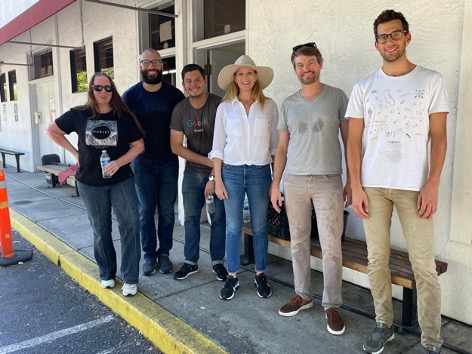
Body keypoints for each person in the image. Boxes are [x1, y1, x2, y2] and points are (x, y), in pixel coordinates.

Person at [346, 10, 448, 354]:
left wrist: (433, 183)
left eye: (394, 34)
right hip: (372, 186)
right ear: (375, 44)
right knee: (377, 261)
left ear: (407, 37)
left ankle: (432, 340)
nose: (388, 41)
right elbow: (353, 141)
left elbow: (439, 136)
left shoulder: (430, 80)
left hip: (414, 187)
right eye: (382, 37)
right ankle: (382, 325)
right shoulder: (364, 86)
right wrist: (356, 185)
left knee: (424, 266)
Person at [270, 43, 350, 335]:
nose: (306, 69)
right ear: (295, 69)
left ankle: (332, 305)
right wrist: (275, 183)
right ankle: (303, 295)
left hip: (328, 180)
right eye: (300, 65)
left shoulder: (337, 97)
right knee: (298, 242)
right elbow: (281, 147)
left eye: (311, 63)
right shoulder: (289, 103)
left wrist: (352, 180)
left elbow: (350, 142)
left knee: (331, 246)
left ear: (321, 63)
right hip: (293, 181)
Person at [47, 73, 144, 297]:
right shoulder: (79, 114)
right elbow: (53, 130)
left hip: (121, 180)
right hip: (90, 182)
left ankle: (130, 277)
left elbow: (138, 145)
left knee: (130, 224)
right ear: (91, 90)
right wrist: (76, 153)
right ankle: (107, 273)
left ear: (113, 90)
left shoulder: (124, 115)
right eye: (98, 88)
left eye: (108, 88)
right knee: (101, 230)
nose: (103, 92)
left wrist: (119, 163)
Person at [210, 55, 278, 300]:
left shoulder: (269, 106)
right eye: (240, 74)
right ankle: (232, 276)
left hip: (260, 173)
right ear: (234, 78)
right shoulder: (225, 107)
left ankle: (260, 273)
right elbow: (217, 146)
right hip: (231, 172)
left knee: (260, 226)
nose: (245, 78)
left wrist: (276, 181)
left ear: (256, 76)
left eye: (249, 73)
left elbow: (275, 148)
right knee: (233, 227)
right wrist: (217, 179)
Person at [123, 49, 185, 276]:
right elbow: (121, 127)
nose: (151, 66)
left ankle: (165, 254)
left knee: (167, 211)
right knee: (146, 211)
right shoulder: (131, 96)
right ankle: (149, 255)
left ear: (161, 65)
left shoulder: (175, 95)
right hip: (142, 163)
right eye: (146, 62)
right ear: (140, 65)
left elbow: (187, 122)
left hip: (169, 161)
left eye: (155, 62)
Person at [169, 64, 228, 281]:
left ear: (205, 80)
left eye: (197, 80)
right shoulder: (180, 109)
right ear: (183, 84)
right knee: (191, 218)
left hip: (220, 172)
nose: (193, 85)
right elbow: (176, 146)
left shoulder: (219, 104)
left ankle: (217, 261)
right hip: (193, 172)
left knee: (218, 218)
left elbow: (228, 141)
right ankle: (191, 262)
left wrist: (214, 173)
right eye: (188, 81)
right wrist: (207, 161)